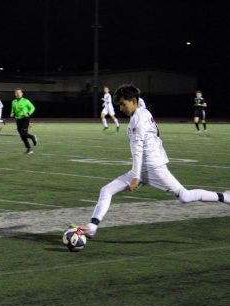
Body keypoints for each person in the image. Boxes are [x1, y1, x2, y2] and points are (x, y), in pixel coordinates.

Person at [78, 84, 229, 238]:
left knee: (185, 196)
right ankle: (92, 226)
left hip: (153, 167)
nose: (121, 109)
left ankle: (226, 197)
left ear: (133, 101)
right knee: (106, 190)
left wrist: (136, 177)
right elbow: (140, 100)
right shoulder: (143, 110)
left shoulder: (137, 120)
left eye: (123, 104)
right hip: (144, 167)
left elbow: (138, 151)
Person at [10, 88, 37, 154]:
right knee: (22, 136)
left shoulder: (26, 101)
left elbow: (33, 108)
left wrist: (28, 113)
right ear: (15, 94)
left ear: (22, 93)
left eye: (19, 93)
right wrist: (12, 113)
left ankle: (33, 136)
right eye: (16, 93)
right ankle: (29, 149)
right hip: (18, 120)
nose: (18, 94)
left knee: (23, 133)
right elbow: (13, 110)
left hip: (25, 119)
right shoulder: (13, 102)